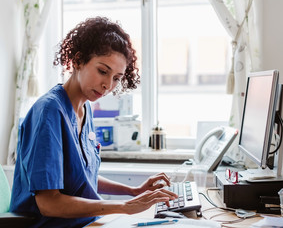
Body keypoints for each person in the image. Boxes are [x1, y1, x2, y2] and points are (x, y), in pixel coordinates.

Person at [10, 16, 177, 228]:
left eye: (117, 78)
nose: (108, 85)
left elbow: (80, 179)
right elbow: (49, 203)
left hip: (88, 223)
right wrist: (124, 206)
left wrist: (133, 191)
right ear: (78, 60)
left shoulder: (85, 109)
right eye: (102, 71)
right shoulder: (49, 111)